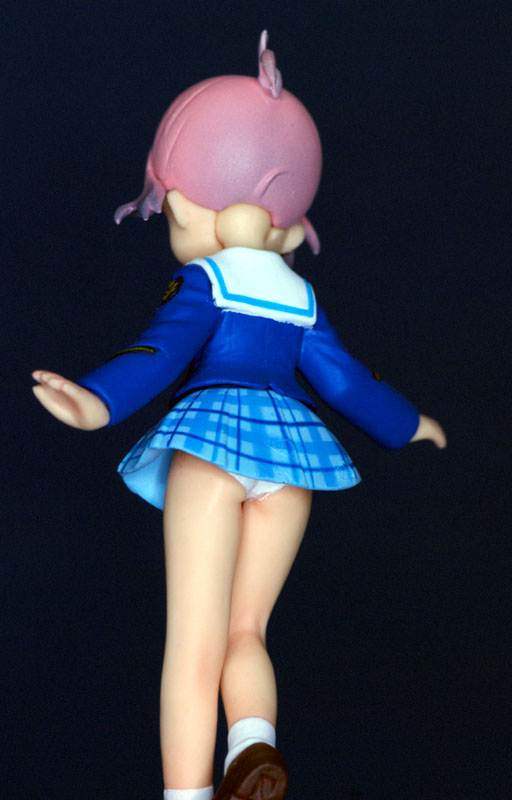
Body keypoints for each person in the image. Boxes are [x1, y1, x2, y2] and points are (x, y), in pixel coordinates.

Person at [32, 31, 446, 800]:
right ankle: (253, 746)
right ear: (282, 226)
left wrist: (96, 401)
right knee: (247, 630)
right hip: (294, 462)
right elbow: (346, 382)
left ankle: (188, 795)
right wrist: (409, 423)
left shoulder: (207, 281)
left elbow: (161, 353)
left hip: (212, 444)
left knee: (191, 647)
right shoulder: (300, 295)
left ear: (195, 207)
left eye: (170, 211)